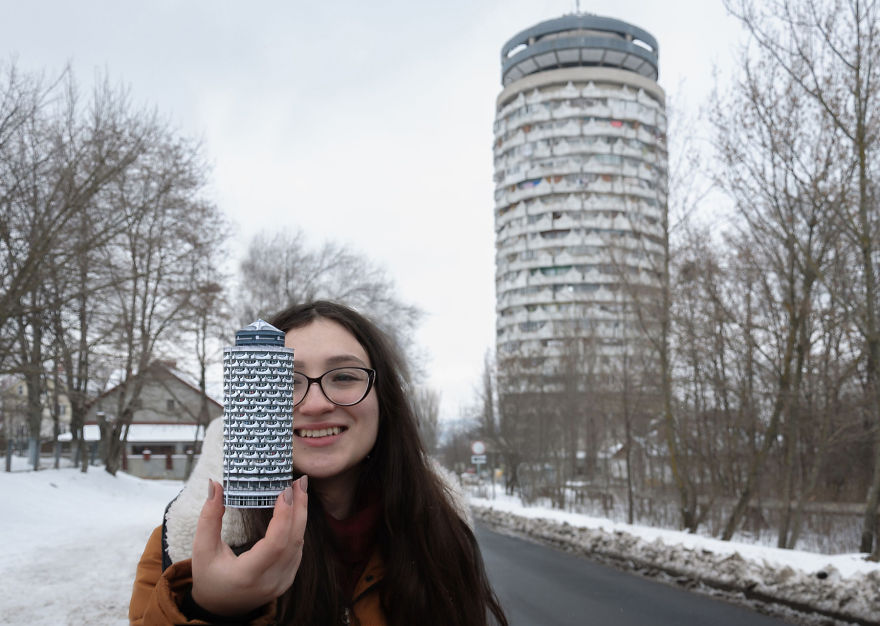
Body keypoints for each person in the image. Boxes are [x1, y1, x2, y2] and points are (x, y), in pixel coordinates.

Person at [129, 300, 508, 625]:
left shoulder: (442, 533)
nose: (316, 404)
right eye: (284, 379)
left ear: (384, 398)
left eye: (343, 376)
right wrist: (211, 610)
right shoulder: (182, 546)